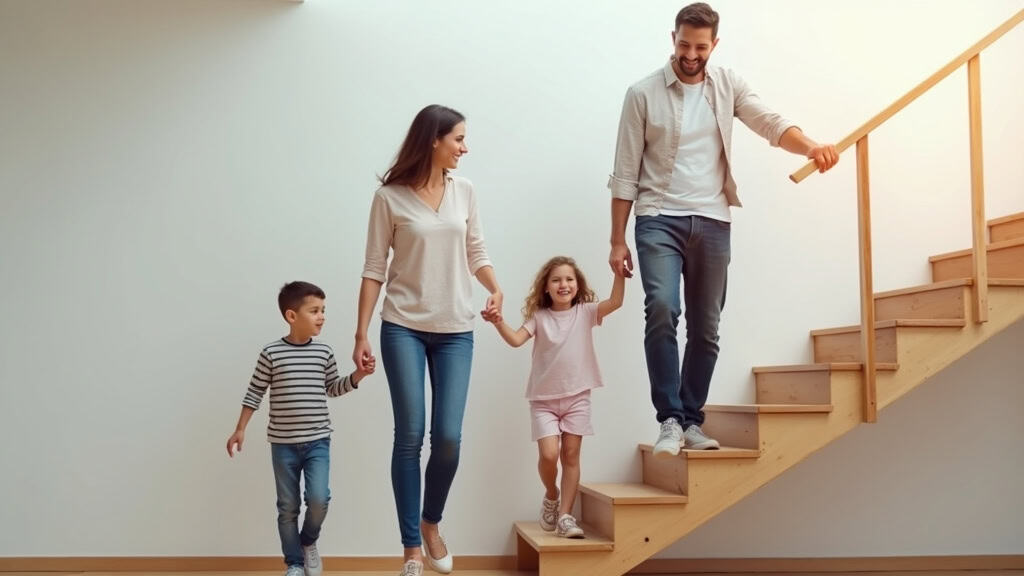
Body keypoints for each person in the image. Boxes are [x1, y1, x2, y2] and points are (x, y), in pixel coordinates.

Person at [607, 2, 839, 456]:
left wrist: (811, 147)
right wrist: (617, 238)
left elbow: (769, 123)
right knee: (661, 308)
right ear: (671, 38)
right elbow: (624, 172)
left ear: (714, 43)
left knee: (707, 327)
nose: (691, 55)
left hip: (713, 220)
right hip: (658, 218)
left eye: (700, 46)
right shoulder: (642, 93)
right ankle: (670, 420)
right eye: (683, 45)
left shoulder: (728, 85)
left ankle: (692, 419)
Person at [353, 104, 504, 576]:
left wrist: (495, 288)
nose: (465, 147)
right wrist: (361, 331)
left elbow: (475, 249)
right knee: (410, 435)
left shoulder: (466, 192)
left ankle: (431, 520)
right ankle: (411, 548)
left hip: (456, 328)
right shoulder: (390, 198)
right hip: (402, 326)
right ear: (433, 140)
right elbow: (374, 267)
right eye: (458, 138)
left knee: (449, 439)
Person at [226, 281, 375, 576]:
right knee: (288, 507)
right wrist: (240, 428)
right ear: (292, 316)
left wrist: (359, 374)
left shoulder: (324, 353)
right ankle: (293, 563)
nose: (322, 316)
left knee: (319, 499)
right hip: (283, 445)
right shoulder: (271, 353)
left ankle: (308, 542)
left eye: (324, 310)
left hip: (318, 441)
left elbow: (333, 388)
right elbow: (254, 392)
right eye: (315, 310)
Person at [486, 256, 625, 538]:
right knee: (549, 455)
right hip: (544, 401)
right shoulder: (539, 318)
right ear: (546, 287)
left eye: (569, 279)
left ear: (578, 285)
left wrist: (619, 274)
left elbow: (616, 302)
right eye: (557, 280)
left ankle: (565, 516)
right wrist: (498, 321)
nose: (564, 284)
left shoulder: (586, 312)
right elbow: (515, 340)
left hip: (577, 397)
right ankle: (552, 494)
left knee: (571, 455)